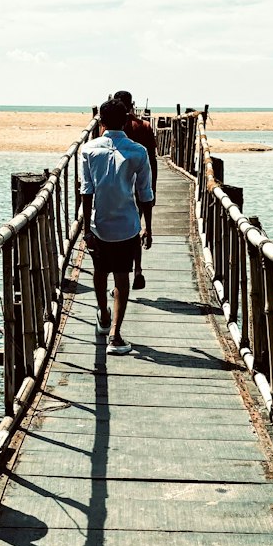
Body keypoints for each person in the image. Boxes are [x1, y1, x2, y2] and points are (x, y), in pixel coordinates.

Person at [80, 97, 154, 355]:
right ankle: (115, 335)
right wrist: (149, 227)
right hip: (127, 224)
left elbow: (86, 191)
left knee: (100, 271)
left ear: (100, 120)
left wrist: (86, 229)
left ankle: (102, 313)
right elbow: (145, 193)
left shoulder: (89, 150)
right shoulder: (138, 151)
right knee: (122, 276)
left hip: (99, 223)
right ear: (127, 119)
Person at [112, 89, 157, 289]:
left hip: (116, 186)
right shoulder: (144, 126)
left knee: (116, 232)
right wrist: (152, 188)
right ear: (132, 104)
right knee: (135, 228)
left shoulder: (110, 128)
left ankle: (119, 277)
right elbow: (153, 161)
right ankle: (137, 269)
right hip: (139, 185)